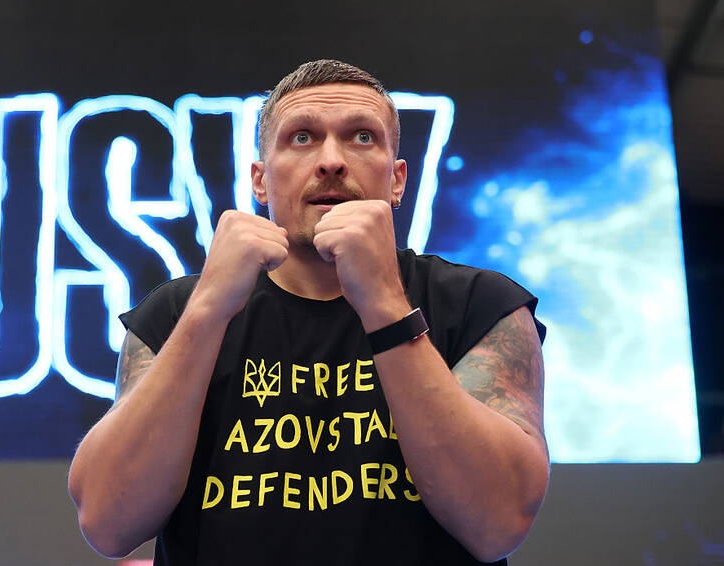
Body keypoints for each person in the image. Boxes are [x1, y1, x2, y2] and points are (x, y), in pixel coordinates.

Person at [68, 59, 549, 566]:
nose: (332, 161)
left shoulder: (479, 305)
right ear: (260, 181)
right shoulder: (175, 314)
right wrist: (206, 311)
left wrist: (385, 304)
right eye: (302, 138)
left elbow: (497, 523)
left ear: (397, 180)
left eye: (362, 137)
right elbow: (108, 522)